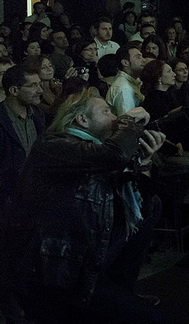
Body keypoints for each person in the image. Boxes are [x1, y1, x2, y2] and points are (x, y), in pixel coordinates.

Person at [0, 91, 166, 323]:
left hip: (84, 266)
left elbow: (138, 208)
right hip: (52, 274)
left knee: (154, 206)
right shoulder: (53, 146)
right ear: (82, 120)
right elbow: (114, 154)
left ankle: (122, 291)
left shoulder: (98, 156)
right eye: (106, 112)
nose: (115, 117)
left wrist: (145, 161)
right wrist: (129, 121)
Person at [0, 67, 46, 210]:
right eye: (33, 86)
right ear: (14, 90)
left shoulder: (38, 114)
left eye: (40, 84)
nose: (40, 90)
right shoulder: (2, 119)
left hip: (34, 195)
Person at [107, 45, 146, 116]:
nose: (144, 60)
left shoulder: (136, 80)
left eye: (142, 56)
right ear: (125, 62)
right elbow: (127, 122)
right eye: (138, 57)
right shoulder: (123, 88)